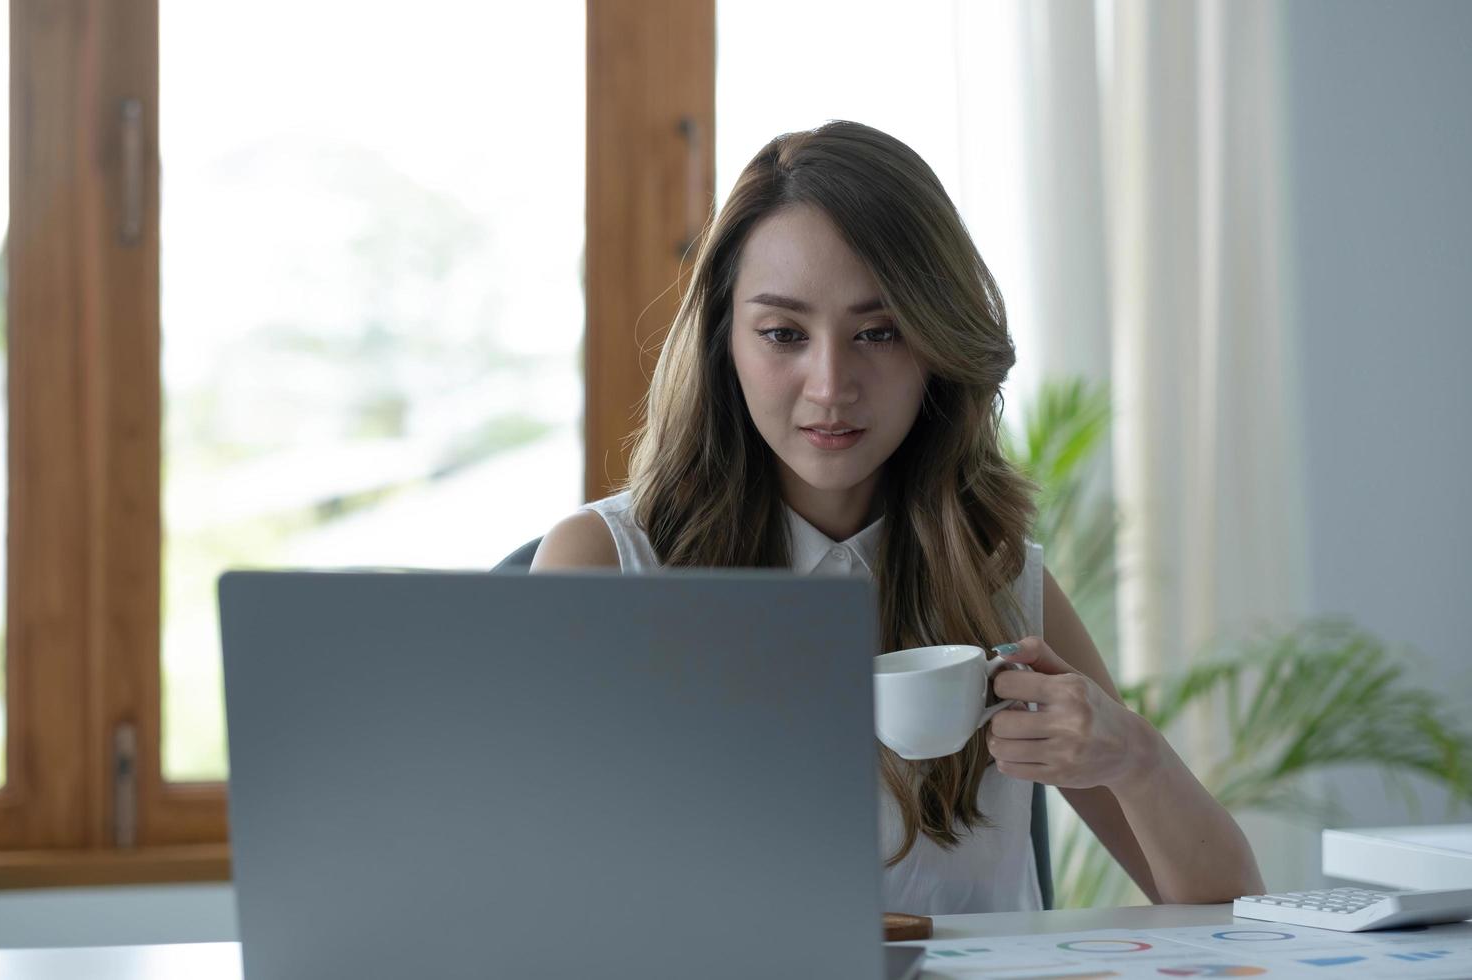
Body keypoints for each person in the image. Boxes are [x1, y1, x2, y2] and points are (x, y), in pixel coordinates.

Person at [531, 120, 1264, 915]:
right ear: (722, 342)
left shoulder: (999, 577)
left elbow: (1226, 910)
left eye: (878, 333)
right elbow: (524, 902)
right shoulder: (605, 566)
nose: (830, 383)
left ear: (935, 346)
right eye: (782, 334)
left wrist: (1133, 760)